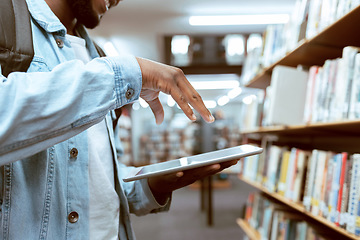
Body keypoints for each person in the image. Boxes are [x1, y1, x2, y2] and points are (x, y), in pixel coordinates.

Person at [0, 0, 238, 239]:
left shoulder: (97, 55)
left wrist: (153, 185)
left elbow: (101, 182)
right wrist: (126, 73)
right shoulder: (7, 25)